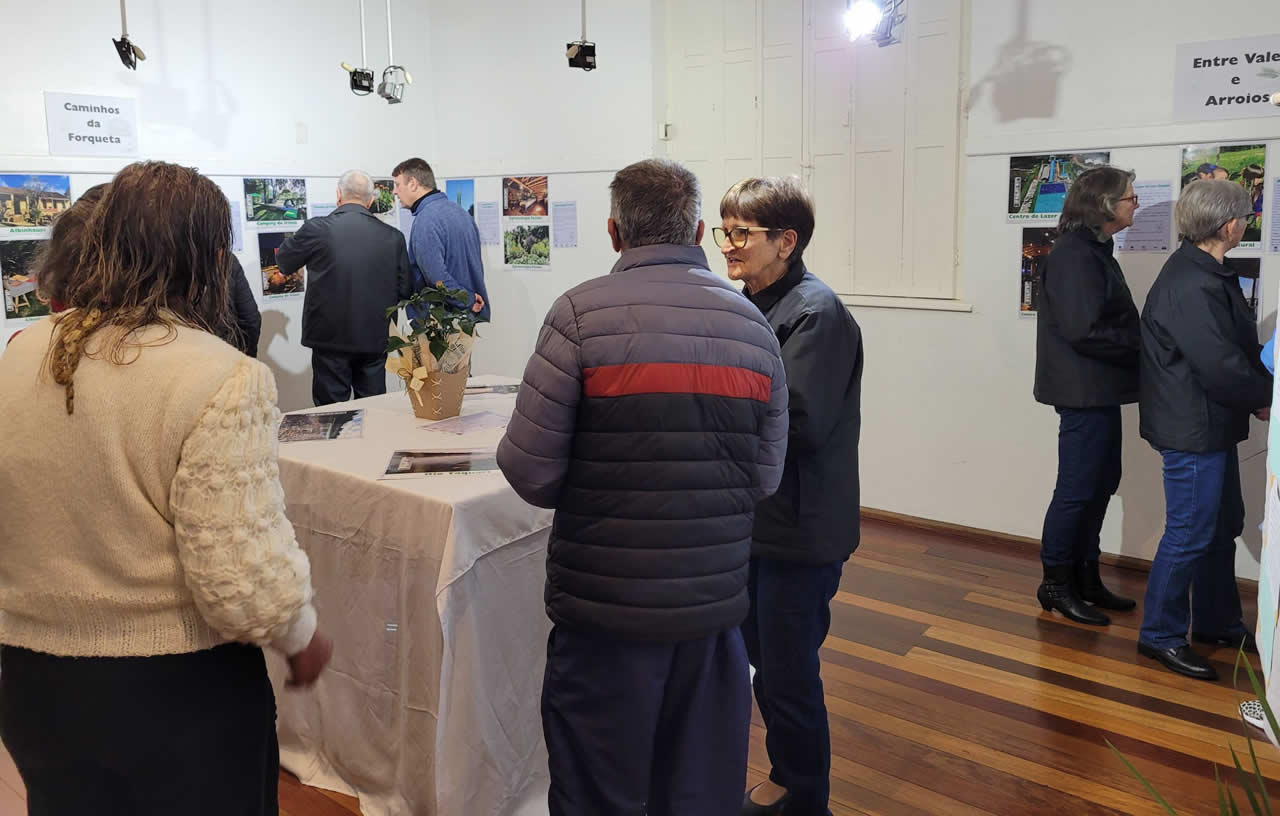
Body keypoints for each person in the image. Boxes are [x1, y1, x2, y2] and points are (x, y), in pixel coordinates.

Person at [0, 161, 332, 813]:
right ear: (210, 259)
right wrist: (300, 635)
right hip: (174, 692)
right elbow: (238, 579)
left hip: (34, 680)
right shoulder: (221, 375)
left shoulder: (24, 350)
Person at [496, 158, 789, 816]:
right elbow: (763, 478)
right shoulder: (753, 329)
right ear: (694, 227)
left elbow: (530, 470)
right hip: (712, 613)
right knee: (696, 794)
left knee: (600, 792)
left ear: (612, 231)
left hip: (605, 613)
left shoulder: (578, 316)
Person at [714, 177, 861, 816]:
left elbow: (797, 423)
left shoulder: (815, 313)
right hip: (759, 522)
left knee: (788, 673)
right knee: (763, 664)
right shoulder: (752, 302)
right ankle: (787, 777)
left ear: (786, 241)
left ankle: (804, 797)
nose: (729, 245)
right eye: (726, 230)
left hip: (798, 528)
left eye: (743, 232)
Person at [1137, 179, 1273, 680]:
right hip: (1191, 427)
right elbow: (1218, 361)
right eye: (1245, 216)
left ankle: (1216, 620)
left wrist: (1257, 393)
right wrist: (1265, 397)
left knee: (1220, 525)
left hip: (1209, 422)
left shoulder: (1206, 272)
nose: (1246, 223)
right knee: (1190, 531)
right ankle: (1160, 635)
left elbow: (1232, 352)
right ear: (1229, 225)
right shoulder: (1191, 283)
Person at [1032, 167, 1142, 627]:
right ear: (1104, 205)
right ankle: (1056, 584)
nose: (1135, 203)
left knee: (1099, 484)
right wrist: (1142, 342)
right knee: (1077, 491)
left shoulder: (1093, 249)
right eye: (1130, 197)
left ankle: (1085, 577)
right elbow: (1084, 330)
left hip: (1100, 390)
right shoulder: (1075, 255)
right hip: (1083, 393)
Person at [276, 170, 412, 406]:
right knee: (373, 410)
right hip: (375, 339)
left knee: (330, 416)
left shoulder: (316, 229)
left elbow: (284, 262)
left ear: (338, 195)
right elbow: (405, 291)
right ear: (370, 200)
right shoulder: (394, 237)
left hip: (329, 340)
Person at [391, 157, 489, 321]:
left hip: (441, 324)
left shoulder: (426, 219)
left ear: (413, 184)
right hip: (465, 319)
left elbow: (436, 277)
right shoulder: (461, 212)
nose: (394, 191)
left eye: (397, 185)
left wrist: (467, 300)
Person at [229, 255, 261, 357]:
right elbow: (251, 319)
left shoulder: (180, 259)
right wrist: (248, 358)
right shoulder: (227, 259)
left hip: (186, 360)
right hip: (227, 354)